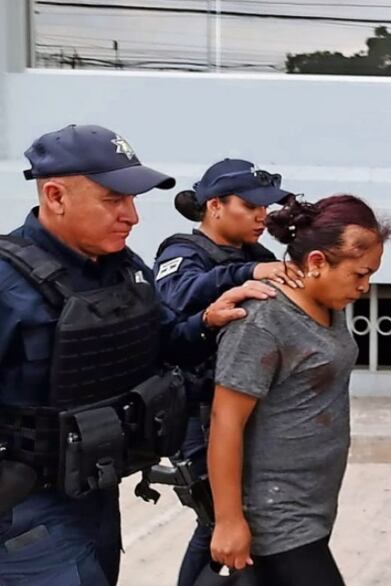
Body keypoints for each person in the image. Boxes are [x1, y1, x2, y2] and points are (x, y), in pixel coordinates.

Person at [0, 124, 272, 585]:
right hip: (25, 512)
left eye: (132, 200)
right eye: (113, 200)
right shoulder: (9, 283)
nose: (132, 216)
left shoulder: (123, 269)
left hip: (96, 496)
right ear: (55, 196)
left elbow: (164, 342)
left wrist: (205, 322)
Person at [208, 195, 391, 585]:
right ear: (316, 262)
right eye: (359, 274)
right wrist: (229, 521)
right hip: (276, 512)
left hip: (315, 504)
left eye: (371, 275)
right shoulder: (262, 322)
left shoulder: (330, 303)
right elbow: (224, 420)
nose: (364, 287)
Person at [153, 158, 299, 586]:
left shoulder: (257, 253)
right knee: (217, 519)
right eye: (251, 205)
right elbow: (178, 296)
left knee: (229, 520)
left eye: (265, 206)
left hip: (246, 406)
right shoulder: (182, 251)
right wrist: (246, 272)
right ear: (215, 205)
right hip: (199, 413)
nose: (261, 216)